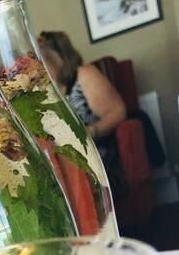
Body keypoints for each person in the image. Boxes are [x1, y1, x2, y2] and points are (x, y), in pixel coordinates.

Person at [38, 30, 126, 189]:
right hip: (64, 165)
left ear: (60, 58)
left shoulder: (84, 75)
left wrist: (90, 132)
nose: (40, 68)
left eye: (44, 62)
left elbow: (118, 112)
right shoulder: (45, 92)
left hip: (97, 160)